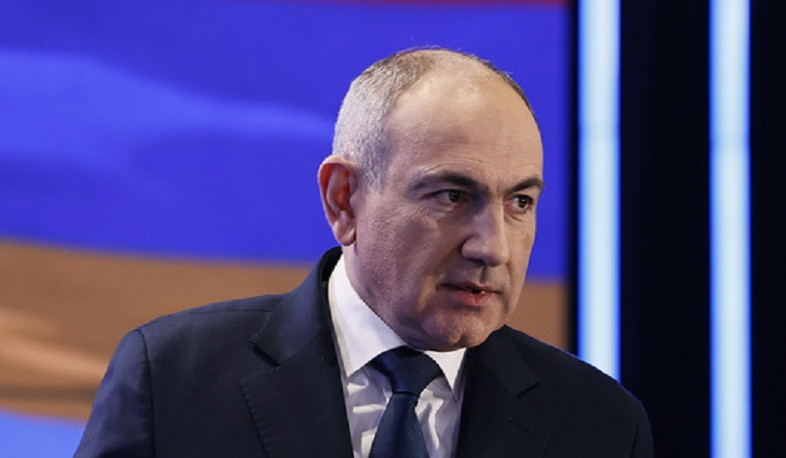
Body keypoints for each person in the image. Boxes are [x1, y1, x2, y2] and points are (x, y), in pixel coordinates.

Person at [75, 48, 653, 457]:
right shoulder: (173, 380)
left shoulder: (600, 425)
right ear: (344, 199)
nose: (492, 247)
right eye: (452, 196)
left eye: (520, 202)